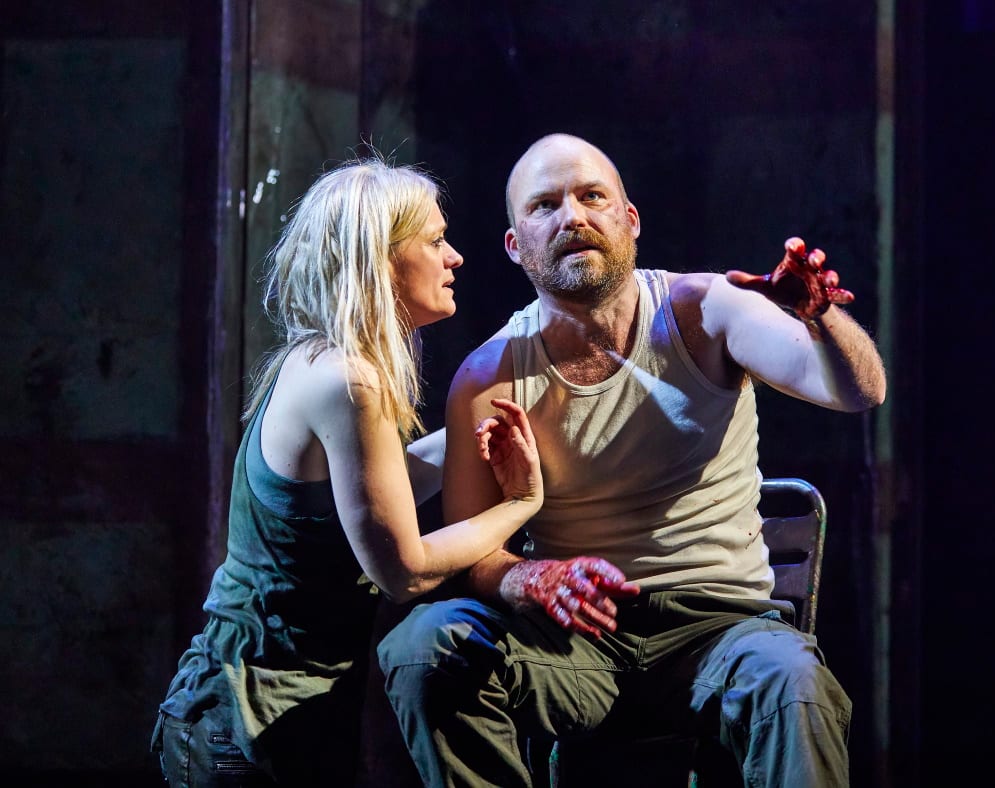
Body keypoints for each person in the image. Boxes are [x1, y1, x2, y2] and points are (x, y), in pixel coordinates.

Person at [378, 133, 887, 787]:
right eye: (545, 206)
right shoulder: (490, 375)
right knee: (425, 648)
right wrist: (523, 580)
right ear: (515, 245)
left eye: (592, 196)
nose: (573, 216)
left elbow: (859, 389)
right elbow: (474, 550)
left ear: (629, 220)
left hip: (721, 633)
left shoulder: (705, 310)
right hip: (578, 645)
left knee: (795, 684)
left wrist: (820, 318)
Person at [150, 156, 544, 787]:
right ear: (381, 258)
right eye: (435, 241)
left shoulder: (318, 361)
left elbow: (370, 498)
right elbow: (404, 569)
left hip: (272, 716)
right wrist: (517, 504)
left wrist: (498, 422)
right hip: (250, 724)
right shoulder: (348, 379)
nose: (455, 258)